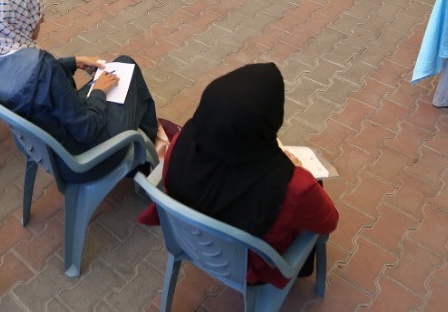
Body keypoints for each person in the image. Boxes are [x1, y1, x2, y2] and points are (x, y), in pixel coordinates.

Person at [138, 63, 339, 289]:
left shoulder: (181, 141)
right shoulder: (294, 185)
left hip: (189, 243)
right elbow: (329, 221)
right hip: (249, 268)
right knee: (316, 185)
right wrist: (299, 170)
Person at [0, 0, 160, 179]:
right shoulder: (44, 67)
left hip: (50, 148)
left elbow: (38, 85)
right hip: (84, 158)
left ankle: (145, 149)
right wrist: (98, 92)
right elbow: (87, 129)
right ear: (16, 18)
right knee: (127, 66)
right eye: (35, 12)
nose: (42, 19)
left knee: (120, 68)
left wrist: (73, 62)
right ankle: (147, 156)